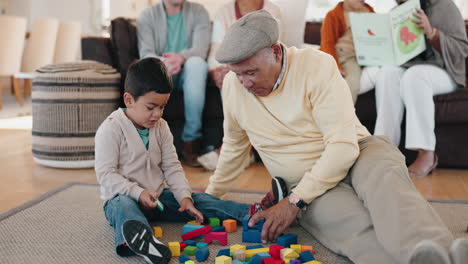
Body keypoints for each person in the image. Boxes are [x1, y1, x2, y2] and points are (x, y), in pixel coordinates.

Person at [205, 10, 468, 264]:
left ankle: (444, 255)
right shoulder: (233, 86)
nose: (245, 83)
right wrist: (209, 198)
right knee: (352, 227)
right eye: (238, 74)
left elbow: (342, 146)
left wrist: (294, 201)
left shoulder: (316, 65)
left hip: (358, 151)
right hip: (305, 182)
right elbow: (234, 146)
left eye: (251, 72)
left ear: (275, 52)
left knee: (391, 191)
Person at [95, 58, 256, 264]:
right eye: (151, 107)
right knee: (123, 208)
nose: (157, 114)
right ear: (129, 100)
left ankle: (253, 213)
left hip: (158, 198)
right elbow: (106, 175)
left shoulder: (161, 127)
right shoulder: (110, 129)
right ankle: (143, 241)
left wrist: (184, 198)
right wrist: (138, 192)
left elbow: (172, 166)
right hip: (122, 199)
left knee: (199, 200)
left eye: (162, 107)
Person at [359, 0, 468, 178]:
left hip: (446, 72)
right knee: (387, 73)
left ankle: (426, 153)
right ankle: (384, 150)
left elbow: (461, 50)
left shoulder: (444, 6)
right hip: (411, 68)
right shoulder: (398, 11)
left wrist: (431, 33)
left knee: (415, 76)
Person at [196, 0, 282, 171]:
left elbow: (276, 49)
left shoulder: (273, 11)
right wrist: (215, 70)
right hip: (232, 68)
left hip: (262, 67)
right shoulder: (224, 12)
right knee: (229, 79)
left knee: (243, 77)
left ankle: (239, 151)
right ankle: (239, 151)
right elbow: (216, 50)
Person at [137, 0, 211, 167]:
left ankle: (191, 142)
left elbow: (201, 48)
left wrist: (181, 58)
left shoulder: (199, 12)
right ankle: (150, 146)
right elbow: (146, 52)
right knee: (150, 66)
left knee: (197, 64)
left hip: (188, 71)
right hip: (161, 70)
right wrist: (164, 64)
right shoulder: (147, 16)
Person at [320, 0, 374, 104]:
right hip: (343, 54)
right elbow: (327, 44)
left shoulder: (369, 11)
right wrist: (335, 66)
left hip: (362, 55)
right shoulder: (333, 15)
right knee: (352, 81)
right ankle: (343, 116)